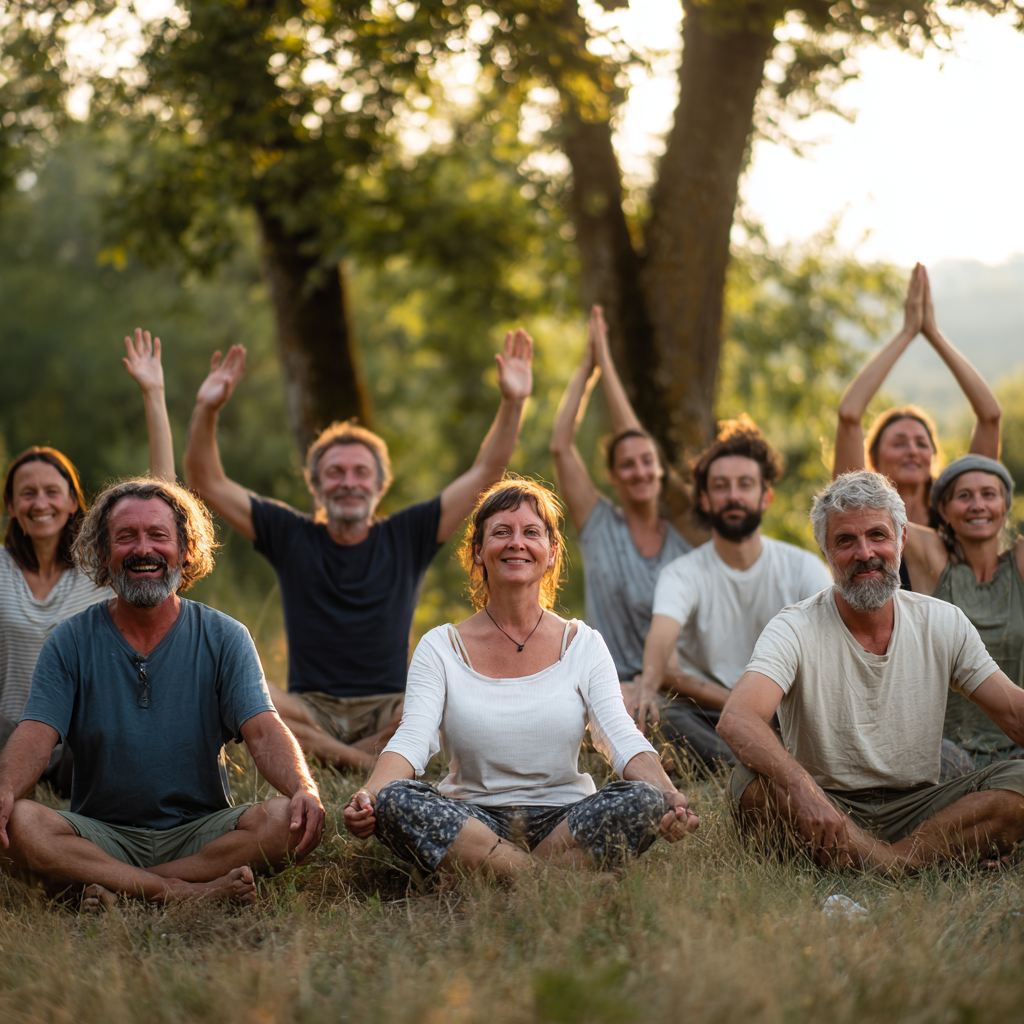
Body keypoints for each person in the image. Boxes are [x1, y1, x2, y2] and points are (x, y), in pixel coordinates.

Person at [184, 330, 535, 772]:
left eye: (359, 471)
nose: (348, 481)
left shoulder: (408, 534)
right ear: (315, 485)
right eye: (334, 472)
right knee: (232, 687)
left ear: (378, 484)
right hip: (309, 708)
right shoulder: (290, 533)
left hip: (389, 707)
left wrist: (513, 402)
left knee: (452, 692)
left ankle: (334, 757)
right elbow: (205, 480)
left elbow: (487, 471)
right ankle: (368, 760)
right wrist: (208, 407)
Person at [342, 479, 699, 878]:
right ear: (478, 552)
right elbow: (412, 738)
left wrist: (669, 795)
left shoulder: (583, 643)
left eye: (531, 532)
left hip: (565, 820)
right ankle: (554, 882)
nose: (517, 542)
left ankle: (490, 875)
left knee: (644, 800)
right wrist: (370, 794)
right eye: (501, 532)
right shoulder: (440, 646)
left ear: (551, 553)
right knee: (396, 801)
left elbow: (618, 734)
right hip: (471, 819)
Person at [0, 478, 324, 908]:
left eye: (158, 535)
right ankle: (184, 893)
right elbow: (35, 737)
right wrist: (4, 789)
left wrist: (305, 787)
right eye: (125, 537)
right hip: (101, 834)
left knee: (288, 819)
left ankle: (110, 886)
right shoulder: (69, 640)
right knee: (20, 822)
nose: (142, 549)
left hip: (201, 834)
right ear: (102, 554)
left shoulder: (226, 636)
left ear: (186, 549)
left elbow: (264, 731)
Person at [718, 471, 1024, 873]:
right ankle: (921, 863)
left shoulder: (943, 621)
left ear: (901, 540)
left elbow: (1014, 714)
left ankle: (887, 863)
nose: (865, 553)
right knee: (750, 786)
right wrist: (802, 789)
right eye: (845, 541)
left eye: (878, 535)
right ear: (826, 552)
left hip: (922, 808)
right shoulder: (794, 626)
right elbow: (737, 718)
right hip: (825, 807)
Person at [0, 329, 176, 792]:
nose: (40, 502)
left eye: (52, 491)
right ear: (12, 506)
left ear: (74, 502)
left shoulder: (99, 569)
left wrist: (154, 394)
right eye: (27, 493)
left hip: (78, 743)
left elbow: (164, 496)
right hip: (7, 737)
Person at [632, 417, 832, 768]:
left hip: (783, 711)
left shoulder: (802, 567)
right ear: (705, 500)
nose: (734, 495)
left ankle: (754, 761)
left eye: (745, 484)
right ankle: (761, 764)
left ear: (765, 495)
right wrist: (647, 686)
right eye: (721, 486)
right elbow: (662, 637)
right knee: (664, 713)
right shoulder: (682, 573)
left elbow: (834, 645)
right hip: (709, 713)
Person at [550, 305, 705, 681]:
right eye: (628, 465)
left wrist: (608, 362)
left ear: (660, 470)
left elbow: (635, 437)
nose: (640, 471)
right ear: (613, 476)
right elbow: (560, 445)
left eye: (647, 462)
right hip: (611, 688)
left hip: (679, 691)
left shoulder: (685, 533)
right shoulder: (599, 523)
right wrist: (589, 369)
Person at [833, 263, 1000, 534]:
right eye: (899, 443)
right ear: (873, 458)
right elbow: (849, 415)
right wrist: (907, 332)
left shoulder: (957, 510)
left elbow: (990, 417)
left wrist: (933, 333)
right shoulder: (859, 506)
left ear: (932, 455)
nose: (912, 450)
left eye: (921, 443)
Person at [900, 455, 1024, 773]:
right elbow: (859, 509)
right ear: (944, 509)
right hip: (948, 754)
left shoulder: (1020, 562)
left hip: (1018, 746)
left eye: (989, 494)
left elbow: (992, 416)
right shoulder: (932, 558)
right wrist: (850, 419)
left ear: (1005, 505)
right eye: (964, 496)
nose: (978, 505)